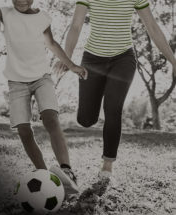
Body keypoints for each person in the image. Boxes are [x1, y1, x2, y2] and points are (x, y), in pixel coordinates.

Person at [55, 0, 176, 184]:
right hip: (92, 60)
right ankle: (98, 93)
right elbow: (75, 25)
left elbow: (152, 26)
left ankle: (107, 164)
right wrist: (67, 57)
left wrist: (173, 61)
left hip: (123, 59)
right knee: (86, 120)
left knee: (113, 108)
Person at [0, 0, 88, 194]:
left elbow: (52, 44)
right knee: (23, 130)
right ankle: (44, 176)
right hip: (16, 82)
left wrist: (72, 66)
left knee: (50, 118)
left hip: (41, 78)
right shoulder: (3, 13)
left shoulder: (42, 18)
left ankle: (67, 171)